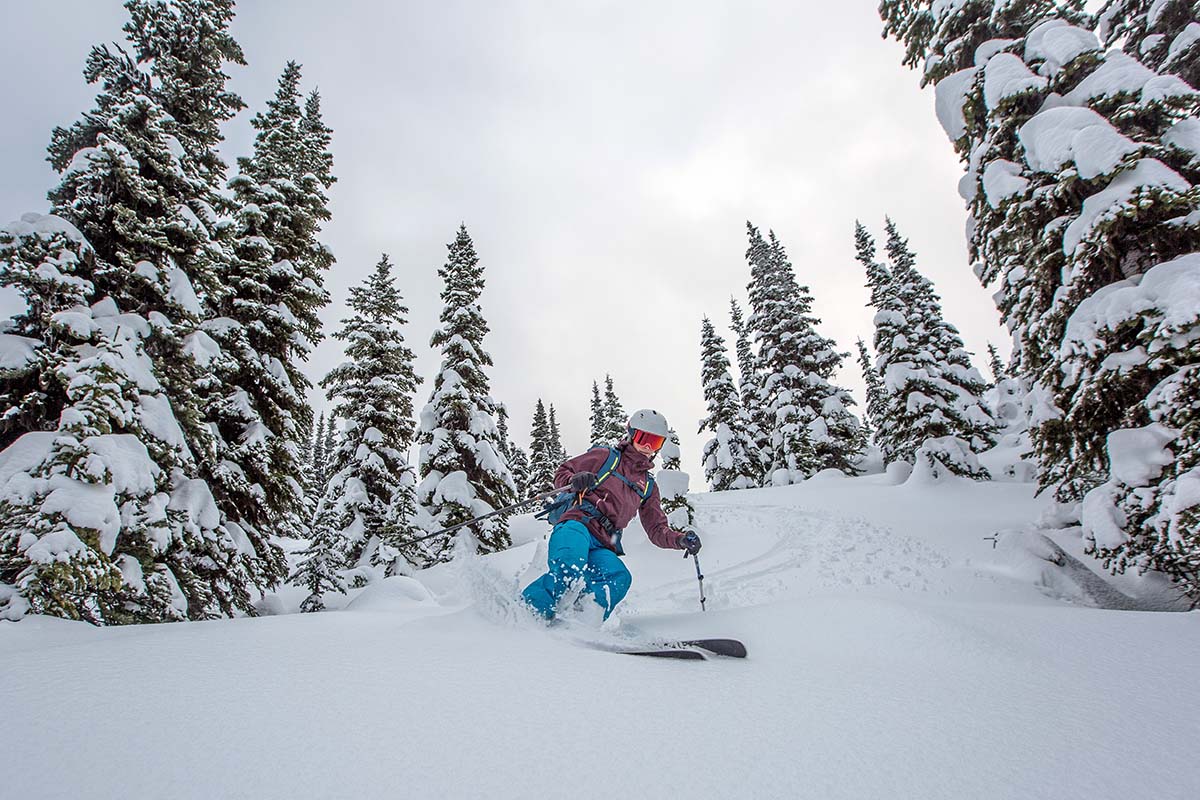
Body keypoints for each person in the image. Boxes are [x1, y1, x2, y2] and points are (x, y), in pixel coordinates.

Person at [521, 408, 702, 621]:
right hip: (577, 524)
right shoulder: (606, 457)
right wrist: (574, 480)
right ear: (631, 434)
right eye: (643, 438)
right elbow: (564, 471)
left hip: (604, 542)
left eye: (654, 443)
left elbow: (656, 529)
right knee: (569, 565)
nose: (646, 447)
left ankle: (581, 623)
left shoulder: (648, 487)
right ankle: (527, 614)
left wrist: (679, 539)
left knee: (618, 577)